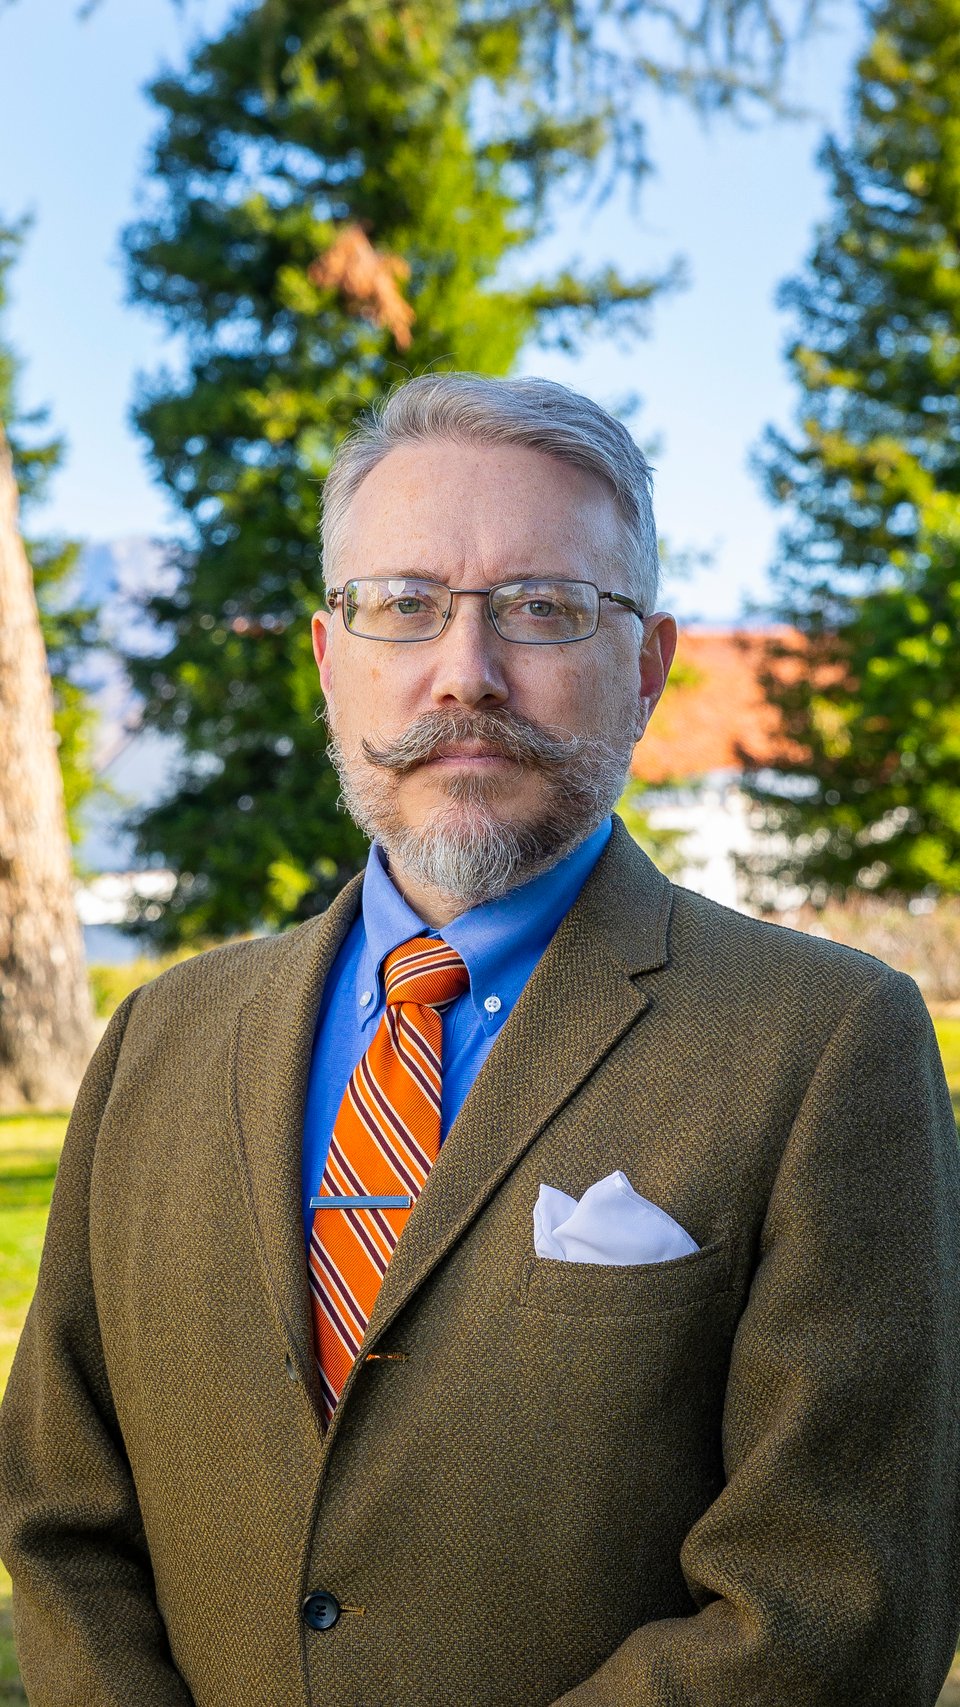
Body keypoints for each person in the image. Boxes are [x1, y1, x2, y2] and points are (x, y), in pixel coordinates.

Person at [1, 373, 958, 1707]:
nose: (466, 672)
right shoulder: (157, 1041)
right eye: (405, 606)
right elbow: (59, 1524)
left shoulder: (823, 1044)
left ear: (647, 664)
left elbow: (830, 1608)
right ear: (333, 660)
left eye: (542, 609)